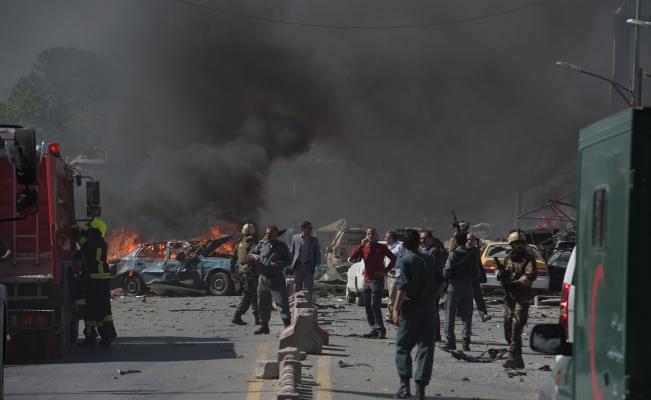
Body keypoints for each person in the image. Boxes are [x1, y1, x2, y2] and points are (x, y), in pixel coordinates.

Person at [392, 229, 445, 400]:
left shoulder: (404, 260)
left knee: (402, 347)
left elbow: (402, 287)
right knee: (426, 347)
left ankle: (405, 388)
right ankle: (420, 390)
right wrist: (433, 296)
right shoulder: (429, 259)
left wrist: (395, 309)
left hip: (411, 308)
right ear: (418, 242)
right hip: (429, 309)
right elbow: (443, 281)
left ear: (404, 244)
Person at [71, 218, 117, 346]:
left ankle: (91, 336)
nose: (87, 230)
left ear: (94, 229)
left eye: (89, 228)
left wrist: (74, 228)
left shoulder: (90, 243)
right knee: (104, 309)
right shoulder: (101, 243)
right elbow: (86, 251)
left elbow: (81, 241)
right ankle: (107, 334)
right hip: (103, 279)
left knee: (91, 307)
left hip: (94, 279)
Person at [496, 230, 537, 369]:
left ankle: (512, 358)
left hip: (522, 298)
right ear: (511, 245)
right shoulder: (508, 257)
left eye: (521, 243)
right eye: (516, 244)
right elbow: (502, 273)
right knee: (507, 328)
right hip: (509, 299)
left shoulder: (529, 258)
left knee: (516, 327)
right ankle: (518, 358)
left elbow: (530, 276)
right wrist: (501, 276)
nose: (518, 246)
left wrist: (515, 284)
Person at [349, 227, 397, 339]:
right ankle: (373, 329)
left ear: (376, 236)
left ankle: (381, 329)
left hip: (377, 280)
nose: (371, 235)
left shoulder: (381, 247)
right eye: (369, 234)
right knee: (367, 306)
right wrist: (361, 245)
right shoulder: (364, 247)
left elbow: (394, 258)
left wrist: (385, 271)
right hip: (366, 280)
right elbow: (352, 258)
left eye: (373, 234)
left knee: (374, 304)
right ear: (366, 236)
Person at [442, 230, 479, 351]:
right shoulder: (473, 253)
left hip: (454, 286)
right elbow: (477, 272)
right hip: (468, 286)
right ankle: (466, 340)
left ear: (456, 241)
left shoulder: (453, 254)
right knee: (467, 316)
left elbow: (446, 271)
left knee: (449, 315)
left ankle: (449, 342)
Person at [251, 225, 292, 335]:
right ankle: (264, 326)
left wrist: (279, 263)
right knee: (262, 303)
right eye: (266, 233)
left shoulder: (282, 246)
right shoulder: (261, 245)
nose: (267, 235)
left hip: (276, 279)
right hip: (263, 279)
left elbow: (289, 261)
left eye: (270, 234)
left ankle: (288, 327)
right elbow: (250, 254)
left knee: (282, 303)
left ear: (275, 234)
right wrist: (254, 256)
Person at [419, 230, 445, 342]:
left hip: (432, 285)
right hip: (424, 286)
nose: (422, 240)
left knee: (433, 311)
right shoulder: (423, 250)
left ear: (430, 239)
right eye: (421, 238)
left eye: (424, 238)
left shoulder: (434, 251)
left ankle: (435, 335)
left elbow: (434, 270)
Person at [231, 223, 260, 325]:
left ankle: (257, 318)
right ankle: (237, 316)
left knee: (253, 295)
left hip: (242, 272)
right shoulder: (252, 243)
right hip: (250, 272)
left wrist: (232, 272)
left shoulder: (239, 243)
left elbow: (233, 259)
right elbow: (256, 256)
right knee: (248, 295)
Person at [289, 221, 321, 303]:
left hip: (309, 266)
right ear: (303, 228)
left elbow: (317, 254)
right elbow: (292, 252)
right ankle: (297, 303)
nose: (311, 230)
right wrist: (290, 263)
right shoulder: (295, 238)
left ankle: (308, 303)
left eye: (311, 228)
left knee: (308, 287)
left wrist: (317, 265)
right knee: (297, 286)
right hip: (298, 266)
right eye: (309, 228)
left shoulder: (314, 240)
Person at [467, 232, 492, 322]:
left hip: (475, 279)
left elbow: (479, 264)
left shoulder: (476, 250)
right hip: (465, 279)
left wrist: (481, 275)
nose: (470, 241)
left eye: (472, 239)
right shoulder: (462, 251)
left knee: (479, 298)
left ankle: (483, 315)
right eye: (469, 239)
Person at [384, 231, 405, 323]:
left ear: (391, 239)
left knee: (393, 297)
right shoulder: (389, 247)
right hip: (390, 274)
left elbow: (402, 259)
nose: (385, 239)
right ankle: (394, 315)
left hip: (396, 274)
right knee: (391, 296)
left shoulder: (399, 246)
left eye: (386, 237)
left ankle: (390, 316)